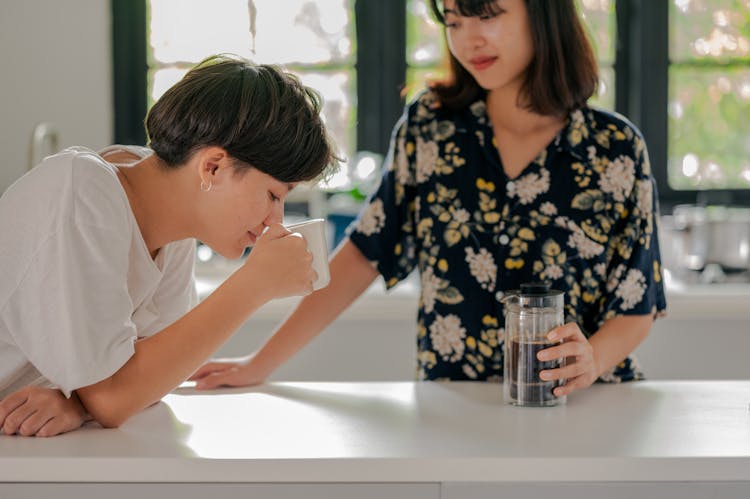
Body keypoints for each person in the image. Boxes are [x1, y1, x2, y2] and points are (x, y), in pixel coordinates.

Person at [190, 0, 667, 394]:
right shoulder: (430, 127)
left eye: (488, 15)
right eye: (455, 21)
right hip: (452, 405)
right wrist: (261, 363)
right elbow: (363, 254)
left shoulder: (615, 149)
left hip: (587, 408)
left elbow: (637, 304)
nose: (467, 39)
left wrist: (592, 360)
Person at [0, 54, 337, 436]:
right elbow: (113, 397)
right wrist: (254, 284)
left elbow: (153, 380)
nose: (274, 221)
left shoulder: (173, 229)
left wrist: (80, 403)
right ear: (213, 167)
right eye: (274, 195)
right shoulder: (84, 192)